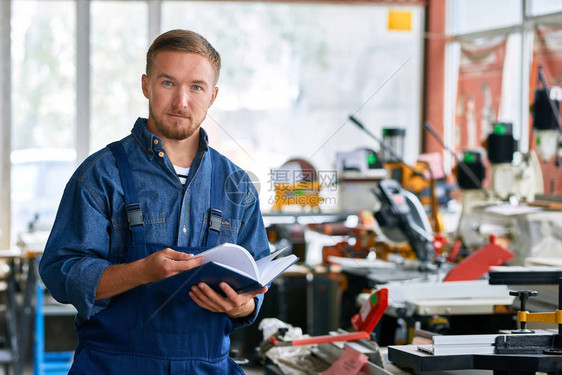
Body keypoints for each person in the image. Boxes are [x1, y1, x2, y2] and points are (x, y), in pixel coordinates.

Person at [39, 29, 270, 374]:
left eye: (196, 87)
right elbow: (62, 273)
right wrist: (141, 272)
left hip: (208, 366)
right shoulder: (100, 175)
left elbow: (257, 278)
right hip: (112, 366)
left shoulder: (237, 184)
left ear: (213, 95)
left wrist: (241, 306)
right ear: (146, 85)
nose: (181, 101)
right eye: (167, 83)